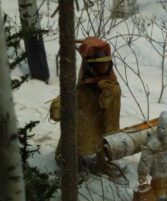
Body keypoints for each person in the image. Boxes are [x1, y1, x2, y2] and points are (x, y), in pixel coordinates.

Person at [50, 37, 121, 173]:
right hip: (81, 130)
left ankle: (101, 161)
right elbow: (69, 97)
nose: (104, 68)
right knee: (76, 139)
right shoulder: (81, 91)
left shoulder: (112, 88)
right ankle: (68, 158)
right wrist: (57, 106)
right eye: (99, 65)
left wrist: (109, 94)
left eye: (106, 64)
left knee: (100, 139)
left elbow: (112, 115)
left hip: (99, 128)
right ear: (89, 66)